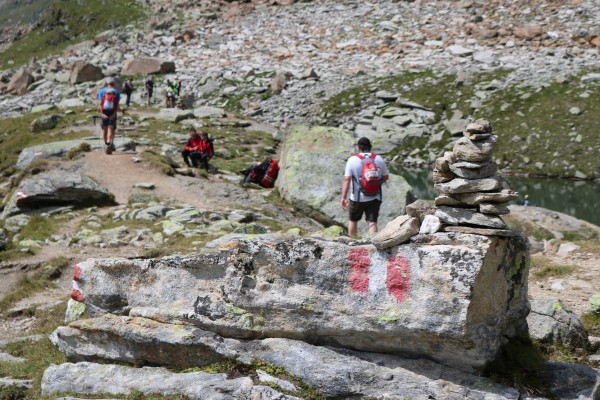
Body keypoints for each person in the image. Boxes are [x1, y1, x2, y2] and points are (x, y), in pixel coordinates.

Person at [340, 137, 389, 237]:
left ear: (358, 148)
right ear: (370, 147)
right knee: (372, 222)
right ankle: (373, 244)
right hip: (375, 197)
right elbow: (385, 177)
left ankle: (352, 243)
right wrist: (375, 185)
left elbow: (347, 179)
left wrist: (343, 197)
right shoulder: (378, 159)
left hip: (357, 198)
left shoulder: (352, 160)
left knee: (353, 220)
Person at [98, 77, 124, 154]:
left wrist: (102, 113)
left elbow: (100, 105)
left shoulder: (102, 91)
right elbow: (117, 106)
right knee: (111, 128)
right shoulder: (116, 92)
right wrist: (121, 111)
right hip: (112, 113)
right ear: (114, 84)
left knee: (104, 129)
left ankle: (105, 144)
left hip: (104, 113)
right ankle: (109, 143)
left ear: (107, 83)